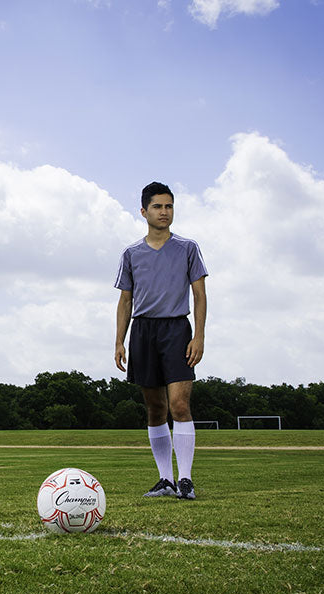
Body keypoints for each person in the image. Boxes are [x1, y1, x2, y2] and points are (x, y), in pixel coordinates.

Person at [114, 182, 208, 500]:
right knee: (155, 409)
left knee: (180, 405)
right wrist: (119, 341)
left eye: (168, 206)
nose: (164, 212)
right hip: (143, 331)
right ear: (144, 211)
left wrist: (199, 335)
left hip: (177, 330)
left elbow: (199, 294)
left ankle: (185, 480)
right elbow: (125, 301)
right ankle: (165, 480)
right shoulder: (131, 254)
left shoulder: (188, 248)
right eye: (157, 206)